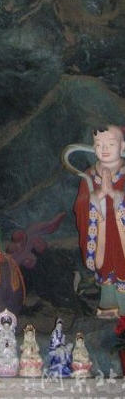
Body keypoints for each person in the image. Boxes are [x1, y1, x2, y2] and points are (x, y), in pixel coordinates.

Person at [73, 125, 125, 318]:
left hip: (121, 232)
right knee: (105, 267)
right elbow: (80, 206)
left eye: (110, 144)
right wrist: (97, 197)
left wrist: (117, 195)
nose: (104, 149)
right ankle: (110, 307)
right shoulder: (89, 175)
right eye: (98, 144)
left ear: (122, 146)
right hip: (102, 230)